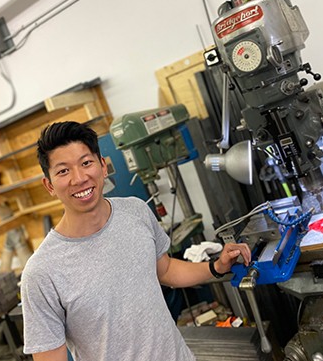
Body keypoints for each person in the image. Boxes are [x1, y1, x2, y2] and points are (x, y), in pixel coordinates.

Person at [21, 121, 252, 361]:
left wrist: (216, 267)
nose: (79, 178)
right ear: (49, 185)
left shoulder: (136, 211)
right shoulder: (42, 273)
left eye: (86, 163)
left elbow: (167, 269)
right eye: (63, 171)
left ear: (103, 166)